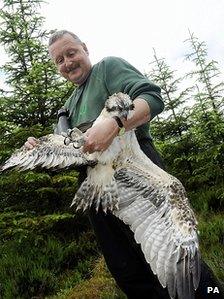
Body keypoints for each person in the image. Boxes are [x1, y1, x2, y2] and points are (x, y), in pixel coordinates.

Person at [25, 30, 224, 299]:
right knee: (126, 269)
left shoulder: (108, 68)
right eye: (59, 60)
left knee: (174, 253)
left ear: (85, 48)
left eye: (71, 53)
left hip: (137, 167)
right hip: (96, 186)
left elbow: (151, 97)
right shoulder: (68, 106)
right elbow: (70, 154)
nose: (67, 62)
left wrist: (115, 123)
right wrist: (39, 148)